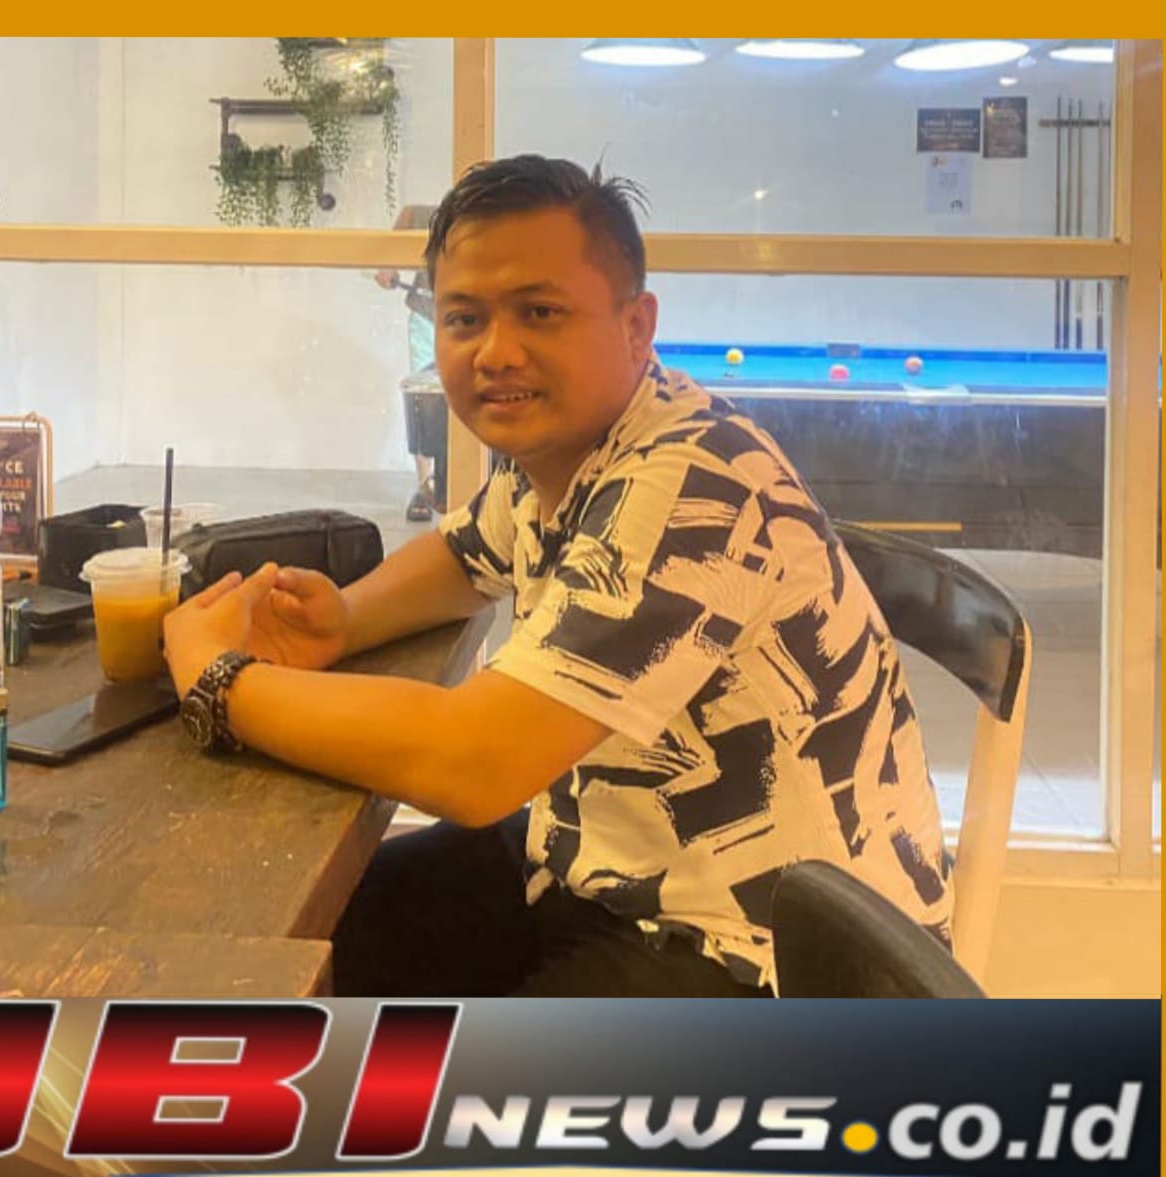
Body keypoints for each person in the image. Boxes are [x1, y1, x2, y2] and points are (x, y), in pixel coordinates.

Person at [163, 155, 953, 997]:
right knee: (299, 937)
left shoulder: (692, 484)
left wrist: (219, 680)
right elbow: (468, 554)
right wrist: (345, 618)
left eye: (540, 312)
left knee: (365, 1048)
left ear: (636, 325)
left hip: (773, 957)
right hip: (605, 859)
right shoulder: (573, 449)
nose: (497, 352)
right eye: (464, 318)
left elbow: (476, 763)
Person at [374, 203, 447, 522]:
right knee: (423, 398)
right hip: (427, 316)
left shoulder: (498, 217)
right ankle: (425, 486)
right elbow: (408, 217)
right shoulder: (435, 215)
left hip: (471, 319)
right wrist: (387, 265)